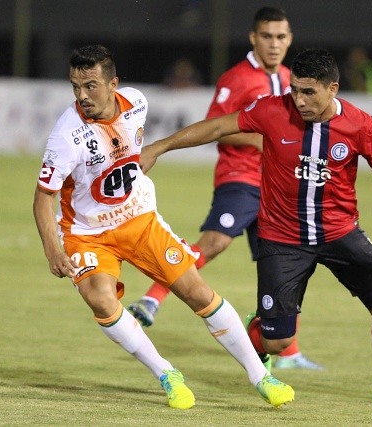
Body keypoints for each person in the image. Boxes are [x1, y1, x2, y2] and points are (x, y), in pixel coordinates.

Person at [137, 48, 372, 408]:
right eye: (295, 89)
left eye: (309, 91)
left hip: (341, 234)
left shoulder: (361, 125)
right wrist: (159, 146)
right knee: (276, 342)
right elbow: (219, 126)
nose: (299, 99)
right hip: (283, 239)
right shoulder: (272, 110)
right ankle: (260, 329)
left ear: (333, 89)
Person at [32, 44, 294, 410]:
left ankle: (260, 376)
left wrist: (157, 150)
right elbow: (43, 196)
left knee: (198, 293)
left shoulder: (137, 103)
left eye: (90, 85)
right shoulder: (66, 136)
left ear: (113, 84)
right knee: (101, 301)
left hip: (139, 219)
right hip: (87, 234)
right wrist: (53, 250)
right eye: (75, 87)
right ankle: (166, 373)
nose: (82, 96)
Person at [128, 6, 323, 371]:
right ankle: (154, 297)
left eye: (281, 37)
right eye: (267, 36)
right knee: (215, 241)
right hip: (242, 177)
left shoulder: (289, 78)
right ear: (254, 38)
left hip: (278, 186)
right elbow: (218, 126)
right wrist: (271, 142)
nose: (274, 44)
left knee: (282, 265)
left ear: (290, 39)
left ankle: (289, 351)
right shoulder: (237, 78)